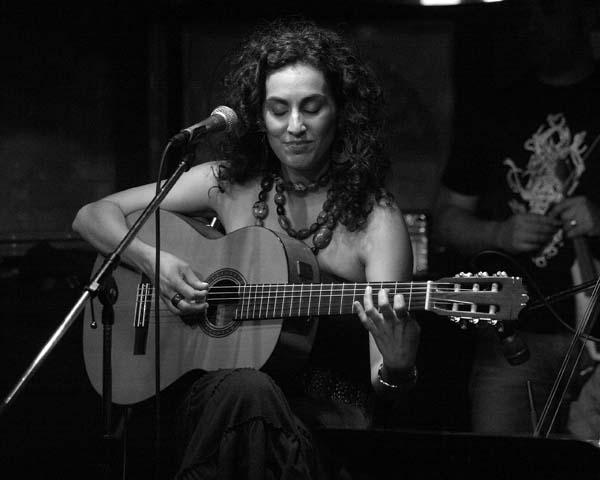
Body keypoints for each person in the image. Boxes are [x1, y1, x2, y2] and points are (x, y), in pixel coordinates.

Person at [73, 19, 420, 479]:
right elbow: (92, 216)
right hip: (218, 403)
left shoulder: (376, 220)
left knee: (249, 391)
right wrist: (154, 263)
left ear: (340, 111)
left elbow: (386, 383)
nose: (295, 126)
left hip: (324, 418)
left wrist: (398, 366)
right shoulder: (228, 183)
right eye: (278, 110)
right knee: (243, 389)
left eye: (312, 108)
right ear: (259, 117)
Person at [432, 0, 600, 436]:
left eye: (550, 11)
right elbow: (445, 218)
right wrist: (500, 233)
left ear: (583, 15)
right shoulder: (495, 107)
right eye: (527, 15)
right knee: (501, 461)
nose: (535, 26)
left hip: (596, 334)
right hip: (512, 338)